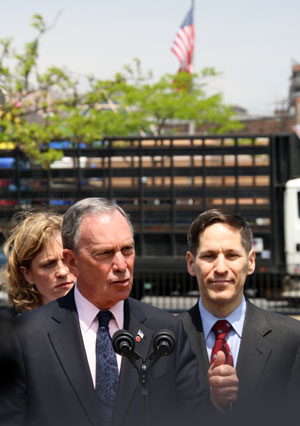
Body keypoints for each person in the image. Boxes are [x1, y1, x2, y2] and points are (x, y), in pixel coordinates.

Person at [0, 198, 212, 426]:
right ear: (72, 261)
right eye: (105, 253)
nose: (122, 265)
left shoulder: (166, 330)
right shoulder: (26, 337)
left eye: (127, 250)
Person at [180, 208, 300, 423]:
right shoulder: (169, 338)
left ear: (251, 261)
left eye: (232, 255)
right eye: (209, 256)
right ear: (191, 263)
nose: (221, 268)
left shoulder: (291, 339)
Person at [2, 210, 76, 312]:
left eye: (68, 260)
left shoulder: (102, 316)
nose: (62, 272)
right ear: (27, 274)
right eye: (49, 264)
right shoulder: (12, 326)